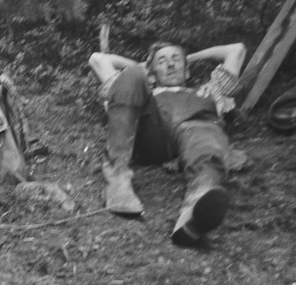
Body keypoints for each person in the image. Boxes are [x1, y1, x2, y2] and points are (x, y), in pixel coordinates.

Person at [88, 40, 246, 246]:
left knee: (207, 136)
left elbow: (237, 50)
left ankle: (195, 208)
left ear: (187, 71)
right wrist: (145, 66)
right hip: (153, 135)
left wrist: (190, 58)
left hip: (196, 132)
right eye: (162, 62)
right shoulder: (146, 92)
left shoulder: (211, 90)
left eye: (176, 60)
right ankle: (117, 182)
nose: (170, 65)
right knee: (131, 75)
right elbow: (98, 59)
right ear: (152, 74)